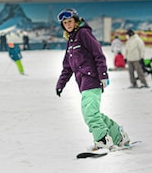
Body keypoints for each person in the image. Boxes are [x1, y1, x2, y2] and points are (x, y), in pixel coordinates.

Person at [55, 8, 130, 151]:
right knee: (92, 112)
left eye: (70, 21)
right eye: (65, 23)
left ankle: (102, 139)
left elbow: (98, 54)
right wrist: (60, 84)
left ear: (76, 21)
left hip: (92, 78)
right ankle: (118, 136)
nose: (68, 25)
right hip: (82, 82)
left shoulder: (83, 34)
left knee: (89, 112)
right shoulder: (70, 41)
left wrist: (103, 76)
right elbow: (67, 66)